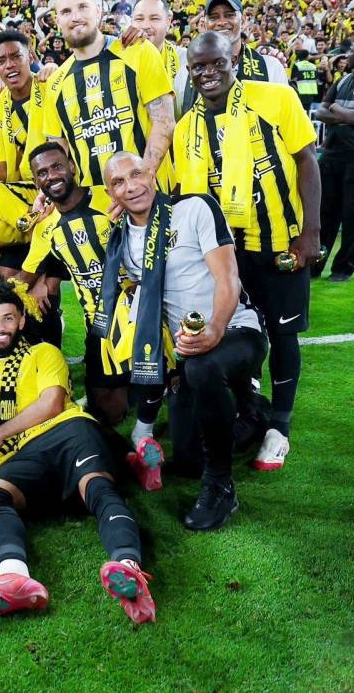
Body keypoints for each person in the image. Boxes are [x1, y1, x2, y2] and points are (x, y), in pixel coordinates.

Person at [0, 278, 155, 625]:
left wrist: (1, 430)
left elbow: (51, 404)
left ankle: (128, 566)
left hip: (67, 430)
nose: (0, 327)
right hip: (27, 449)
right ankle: (14, 577)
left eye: (8, 318)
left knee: (96, 486)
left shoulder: (43, 352)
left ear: (21, 320)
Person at [173, 31, 320, 471]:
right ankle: (251, 408)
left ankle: (280, 427)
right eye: (198, 67)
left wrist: (310, 232)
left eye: (216, 63)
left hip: (278, 245)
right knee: (236, 334)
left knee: (283, 334)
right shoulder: (186, 129)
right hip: (225, 257)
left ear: (232, 60)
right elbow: (188, 199)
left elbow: (307, 160)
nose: (208, 73)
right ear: (189, 72)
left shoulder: (275, 98)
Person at [101, 152, 267, 530]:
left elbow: (228, 278)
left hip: (237, 329)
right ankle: (253, 412)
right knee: (190, 458)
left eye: (137, 174)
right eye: (119, 182)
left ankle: (221, 487)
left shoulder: (194, 208)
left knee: (204, 367)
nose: (131, 186)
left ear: (152, 174)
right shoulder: (123, 240)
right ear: (111, 194)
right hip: (187, 352)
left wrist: (215, 329)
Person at [22, 143, 165, 466]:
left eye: (57, 167)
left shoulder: (109, 197)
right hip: (99, 326)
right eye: (42, 173)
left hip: (149, 315)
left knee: (178, 388)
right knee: (108, 414)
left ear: (72, 166)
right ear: (36, 182)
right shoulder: (45, 227)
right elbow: (29, 272)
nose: (51, 176)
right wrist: (42, 282)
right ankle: (133, 392)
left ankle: (162, 386)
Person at [44, 0, 175, 188]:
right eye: (66, 12)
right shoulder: (55, 83)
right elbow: (58, 151)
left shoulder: (139, 51)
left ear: (98, 11)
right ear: (58, 20)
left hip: (149, 194)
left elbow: (164, 121)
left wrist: (142, 180)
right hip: (94, 202)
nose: (75, 17)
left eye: (83, 7)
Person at [176, 0, 289, 113]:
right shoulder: (185, 75)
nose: (221, 22)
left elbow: (285, 118)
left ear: (243, 20)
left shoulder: (270, 68)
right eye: (214, 17)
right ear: (204, 24)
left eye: (229, 15)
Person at [315, 39, 354, 282]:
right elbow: (320, 111)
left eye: (351, 51)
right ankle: (316, 264)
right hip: (332, 155)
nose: (347, 56)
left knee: (353, 216)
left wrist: (335, 110)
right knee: (325, 213)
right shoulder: (343, 80)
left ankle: (343, 269)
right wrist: (346, 116)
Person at [0, 30, 47, 181]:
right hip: (27, 185)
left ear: (30, 57)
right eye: (1, 61)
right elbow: (1, 168)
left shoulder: (50, 87)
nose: (10, 65)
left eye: (16, 56)